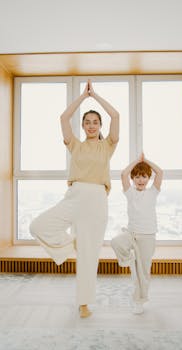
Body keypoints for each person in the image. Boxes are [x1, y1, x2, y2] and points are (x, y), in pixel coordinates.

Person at [29, 80, 119, 318]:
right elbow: (63, 118)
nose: (91, 125)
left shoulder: (107, 146)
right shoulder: (75, 145)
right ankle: (69, 245)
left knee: (89, 257)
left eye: (95, 122)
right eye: (87, 122)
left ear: (100, 125)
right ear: (82, 126)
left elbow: (116, 115)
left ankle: (84, 304)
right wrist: (82, 97)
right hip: (75, 196)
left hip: (98, 199)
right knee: (37, 226)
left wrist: (96, 96)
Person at [111, 153, 163, 314]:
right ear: (133, 178)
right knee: (115, 241)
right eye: (138, 177)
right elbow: (123, 174)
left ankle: (140, 301)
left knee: (143, 272)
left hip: (148, 237)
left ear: (148, 178)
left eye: (144, 176)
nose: (141, 180)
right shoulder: (130, 193)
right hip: (131, 234)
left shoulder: (153, 192)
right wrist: (136, 162)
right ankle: (127, 258)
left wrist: (145, 161)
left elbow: (160, 173)